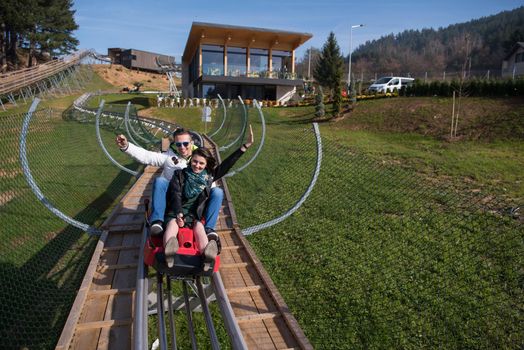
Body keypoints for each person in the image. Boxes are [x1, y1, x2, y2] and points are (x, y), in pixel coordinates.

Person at [164, 125, 254, 269]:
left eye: (201, 163)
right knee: (172, 224)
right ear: (190, 160)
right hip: (177, 212)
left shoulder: (208, 177)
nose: (197, 166)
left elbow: (226, 165)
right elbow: (175, 194)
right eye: (194, 161)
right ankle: (169, 250)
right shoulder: (179, 175)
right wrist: (179, 213)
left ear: (206, 165)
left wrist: (244, 147)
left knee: (199, 228)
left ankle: (206, 254)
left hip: (194, 214)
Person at [115, 128, 224, 237]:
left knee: (217, 192)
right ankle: (157, 221)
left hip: (194, 199)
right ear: (175, 144)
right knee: (160, 181)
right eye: (178, 144)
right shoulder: (169, 157)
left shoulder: (200, 158)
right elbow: (147, 156)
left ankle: (209, 229)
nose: (182, 147)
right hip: (173, 196)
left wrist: (213, 201)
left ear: (191, 143)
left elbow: (209, 178)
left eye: (185, 143)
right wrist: (126, 146)